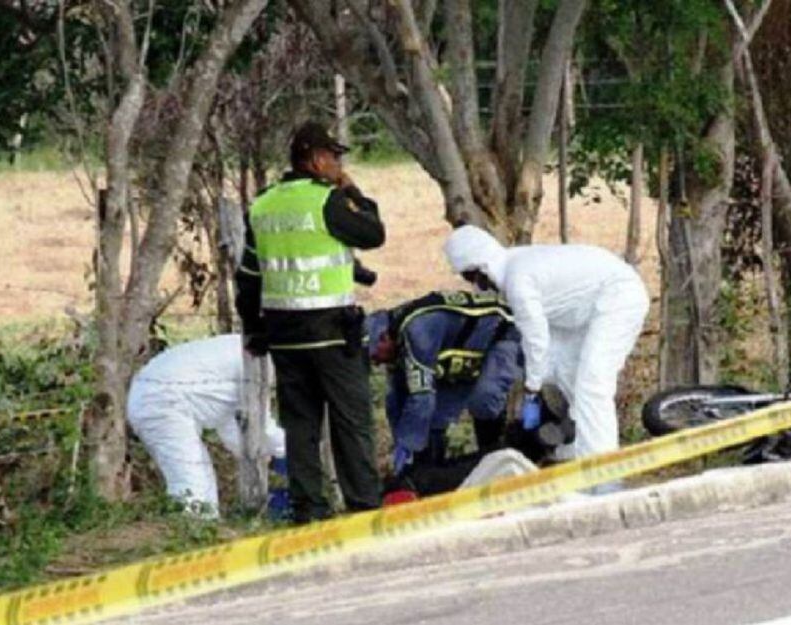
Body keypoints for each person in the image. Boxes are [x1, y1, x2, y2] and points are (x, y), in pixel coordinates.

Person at [235, 121, 384, 524]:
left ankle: (308, 511)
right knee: (351, 422)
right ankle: (364, 508)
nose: (338, 164)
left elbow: (248, 276)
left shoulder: (263, 205)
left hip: (285, 337)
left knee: (300, 427)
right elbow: (373, 233)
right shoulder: (329, 201)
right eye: (334, 157)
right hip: (333, 334)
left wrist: (254, 328)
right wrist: (351, 190)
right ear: (317, 160)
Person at [443, 225, 649, 461]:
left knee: (593, 383)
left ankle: (603, 469)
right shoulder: (513, 265)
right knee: (561, 370)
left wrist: (532, 389)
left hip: (618, 297)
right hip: (583, 310)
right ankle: (579, 445)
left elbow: (536, 339)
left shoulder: (517, 280)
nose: (474, 285)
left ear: (480, 266)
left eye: (470, 276)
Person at [365, 291, 522, 497]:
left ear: (384, 337)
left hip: (504, 333)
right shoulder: (397, 336)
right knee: (433, 420)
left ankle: (499, 455)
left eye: (374, 354)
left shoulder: (416, 332)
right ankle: (428, 476)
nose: (375, 362)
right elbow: (398, 398)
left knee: (484, 400)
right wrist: (401, 445)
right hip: (460, 345)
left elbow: (422, 398)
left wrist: (407, 445)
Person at [126, 334, 286, 518]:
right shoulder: (261, 364)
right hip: (161, 400)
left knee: (203, 481)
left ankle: (202, 533)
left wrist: (271, 456)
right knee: (191, 482)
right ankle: (187, 536)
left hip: (160, 396)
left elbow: (235, 428)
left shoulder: (245, 353)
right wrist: (288, 455)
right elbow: (258, 427)